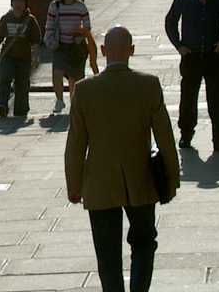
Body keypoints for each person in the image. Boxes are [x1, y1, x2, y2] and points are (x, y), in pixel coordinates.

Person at [65, 26, 179, 292]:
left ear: (103, 52)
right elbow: (165, 139)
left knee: (107, 257)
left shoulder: (83, 90)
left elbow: (75, 145)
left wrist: (74, 185)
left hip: (99, 185)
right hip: (141, 182)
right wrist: (172, 178)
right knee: (143, 243)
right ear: (132, 51)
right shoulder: (148, 85)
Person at [164, 0, 219, 153]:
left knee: (218, 99)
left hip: (213, 56)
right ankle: (186, 136)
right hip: (191, 56)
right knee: (188, 98)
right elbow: (170, 21)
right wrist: (178, 46)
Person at [0, 0, 42, 118]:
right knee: (4, 81)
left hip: (24, 58)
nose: (18, 4)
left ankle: (21, 110)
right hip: (7, 56)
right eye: (16, 1)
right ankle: (2, 105)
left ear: (26, 4)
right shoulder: (6, 19)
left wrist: (36, 57)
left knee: (22, 84)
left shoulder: (31, 20)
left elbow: (36, 41)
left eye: (21, 1)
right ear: (11, 3)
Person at [44, 0, 91, 112]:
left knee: (73, 77)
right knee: (57, 73)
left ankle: (74, 104)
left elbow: (87, 25)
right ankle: (59, 101)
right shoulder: (55, 6)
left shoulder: (80, 6)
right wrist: (49, 40)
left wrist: (81, 36)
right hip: (60, 45)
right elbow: (50, 24)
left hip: (76, 47)